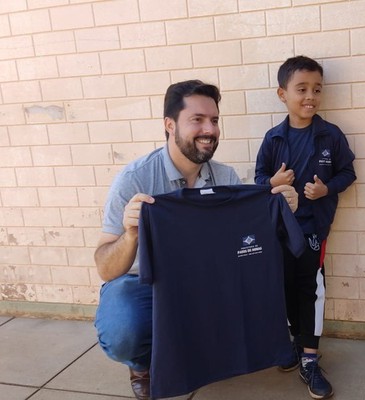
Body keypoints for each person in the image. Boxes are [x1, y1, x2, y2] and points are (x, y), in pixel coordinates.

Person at [94, 80, 299, 400]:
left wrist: (279, 208)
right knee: (124, 328)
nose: (210, 129)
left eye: (214, 120)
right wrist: (131, 233)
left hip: (204, 276)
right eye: (198, 120)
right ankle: (141, 363)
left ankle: (211, 351)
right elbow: (105, 268)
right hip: (141, 282)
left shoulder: (226, 177)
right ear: (169, 124)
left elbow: (243, 243)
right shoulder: (134, 179)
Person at [254, 56, 356, 399]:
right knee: (281, 289)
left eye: (317, 89)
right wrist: (272, 181)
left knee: (310, 290)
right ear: (283, 94)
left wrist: (326, 189)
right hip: (278, 231)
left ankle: (310, 358)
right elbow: (257, 181)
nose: (310, 95)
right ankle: (292, 348)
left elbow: (348, 173)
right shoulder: (273, 138)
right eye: (302, 89)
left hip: (313, 230)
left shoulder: (330, 135)